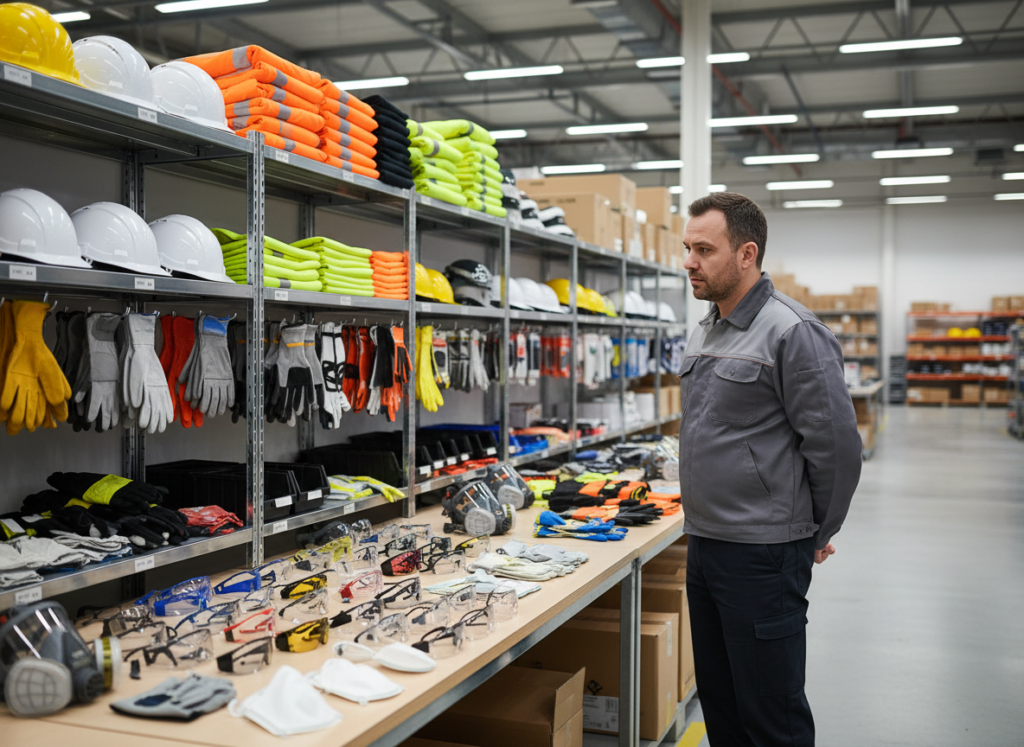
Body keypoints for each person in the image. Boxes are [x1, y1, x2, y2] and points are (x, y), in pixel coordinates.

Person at [678, 192, 861, 746]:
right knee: (723, 707)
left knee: (770, 718)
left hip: (761, 555)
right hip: (705, 544)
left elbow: (836, 448)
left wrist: (813, 530)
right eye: (687, 248)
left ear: (746, 254)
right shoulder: (707, 327)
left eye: (704, 249)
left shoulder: (793, 332)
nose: (689, 261)